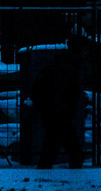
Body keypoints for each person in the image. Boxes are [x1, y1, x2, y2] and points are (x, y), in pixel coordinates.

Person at [32, 37, 86, 169]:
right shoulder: (68, 70)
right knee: (72, 151)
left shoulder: (59, 68)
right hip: (59, 116)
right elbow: (64, 94)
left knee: (52, 148)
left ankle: (44, 174)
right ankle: (73, 177)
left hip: (54, 115)